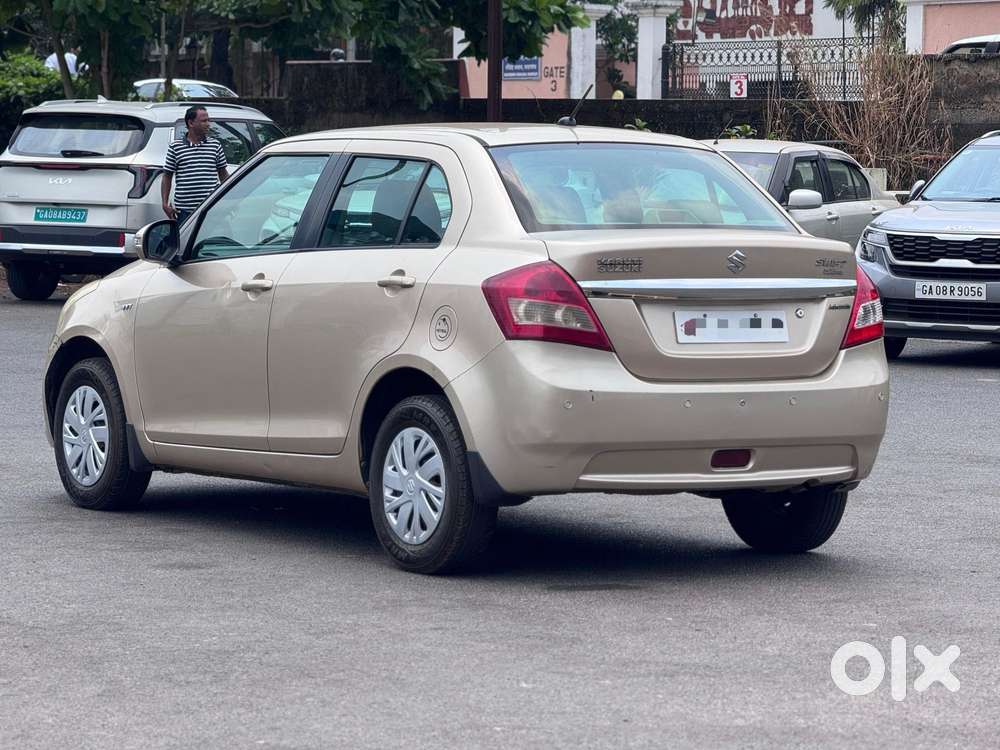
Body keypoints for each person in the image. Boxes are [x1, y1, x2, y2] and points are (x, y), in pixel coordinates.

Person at [162, 105, 228, 225]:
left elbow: (223, 174)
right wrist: (165, 203)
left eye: (208, 120)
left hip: (210, 208)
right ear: (191, 123)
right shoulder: (176, 147)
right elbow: (167, 176)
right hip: (184, 211)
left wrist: (229, 200)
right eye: (203, 121)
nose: (208, 124)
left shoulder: (215, 145)